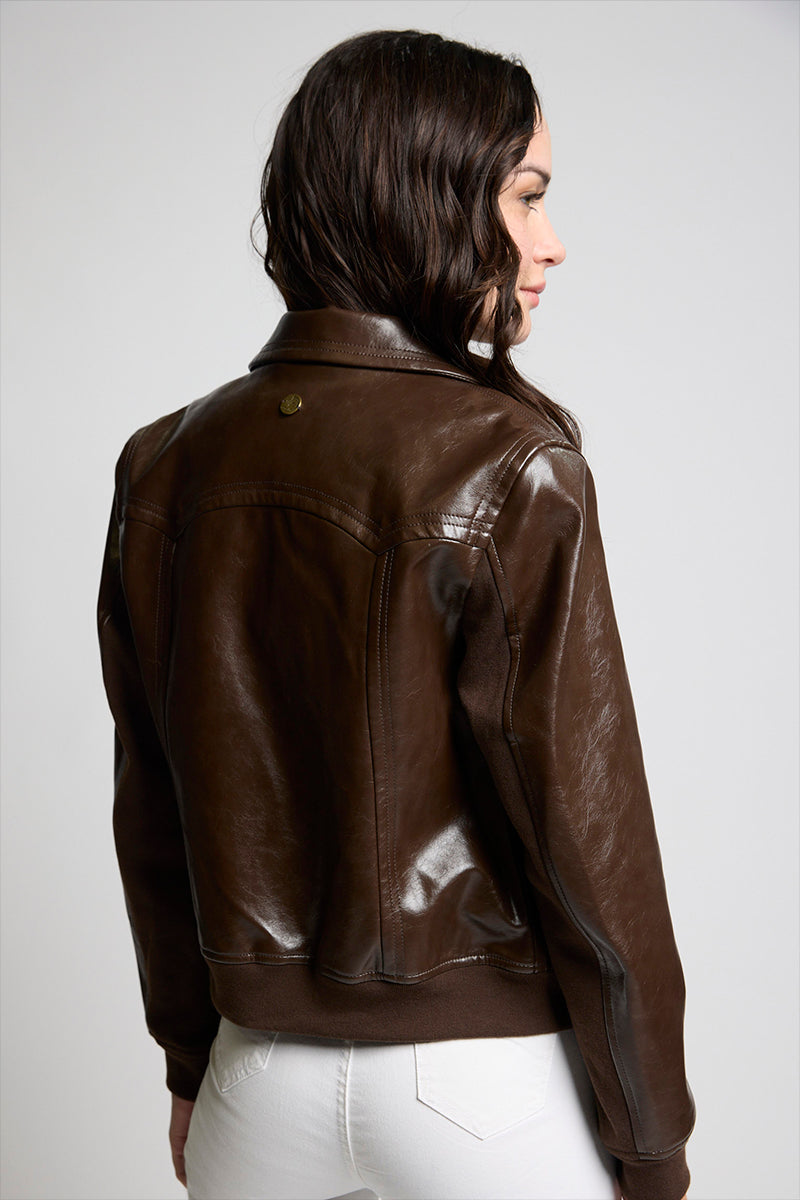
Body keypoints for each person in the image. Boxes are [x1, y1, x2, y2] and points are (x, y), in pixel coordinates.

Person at [96, 28, 695, 1200]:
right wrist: (649, 1140)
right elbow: (589, 846)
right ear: (426, 200)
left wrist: (190, 1062)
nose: (550, 243)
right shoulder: (510, 464)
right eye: (526, 197)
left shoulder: (164, 464)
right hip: (483, 1096)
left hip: (252, 1086)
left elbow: (151, 808)